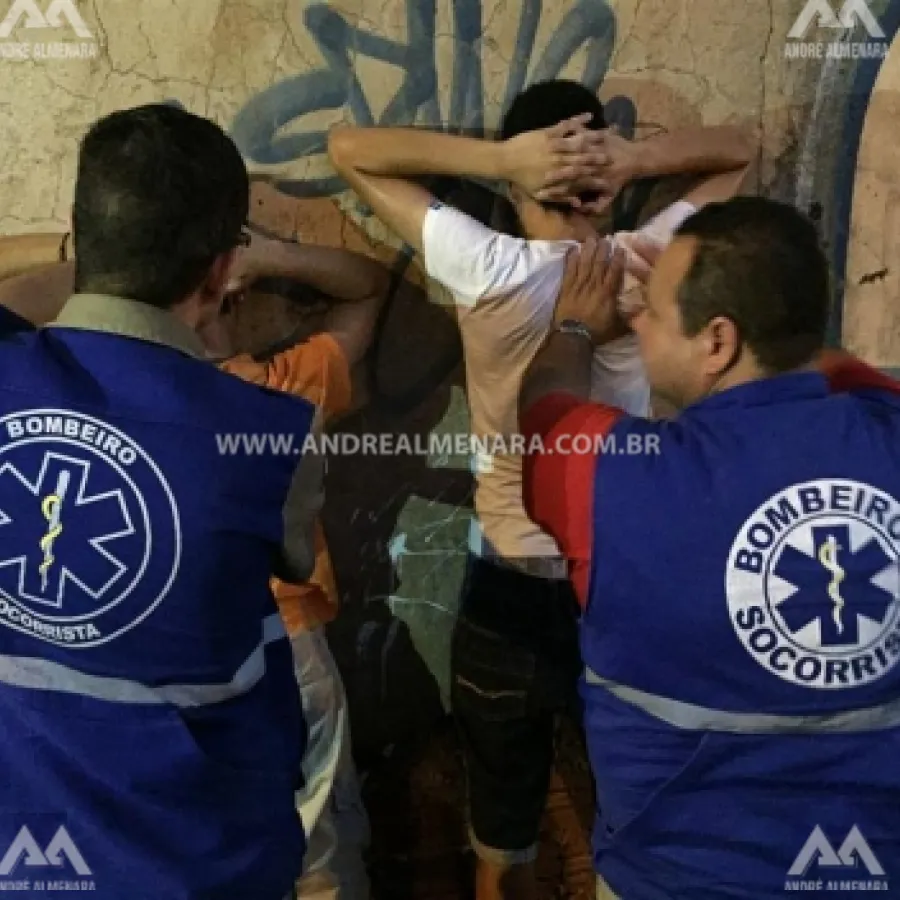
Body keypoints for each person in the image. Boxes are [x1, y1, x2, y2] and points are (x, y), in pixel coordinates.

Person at [326, 78, 755, 900]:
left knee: (503, 839)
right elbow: (738, 151)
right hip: (621, 581)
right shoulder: (647, 263)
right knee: (641, 821)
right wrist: (630, 160)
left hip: (508, 587)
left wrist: (501, 163)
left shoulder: (486, 264)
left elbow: (350, 148)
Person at [519, 197, 900, 899]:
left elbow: (545, 412)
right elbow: (859, 378)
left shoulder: (615, 482)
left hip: (672, 878)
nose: (636, 320)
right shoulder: (887, 432)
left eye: (653, 313)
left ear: (717, 342)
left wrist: (575, 324)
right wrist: (772, 311)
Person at [0, 225, 387, 899]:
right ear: (214, 295)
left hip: (138, 668)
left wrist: (78, 246)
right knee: (319, 845)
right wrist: (267, 257)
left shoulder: (67, 387)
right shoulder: (284, 395)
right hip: (283, 644)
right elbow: (366, 288)